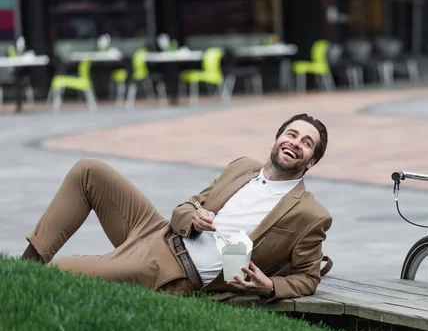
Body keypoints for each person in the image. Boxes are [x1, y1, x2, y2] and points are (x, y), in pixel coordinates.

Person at [21, 113, 333, 301]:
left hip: (173, 269)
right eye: (291, 134)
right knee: (89, 171)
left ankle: (37, 275)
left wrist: (268, 286)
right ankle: (22, 269)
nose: (295, 142)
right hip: (158, 230)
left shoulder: (309, 214)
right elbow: (186, 206)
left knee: (60, 272)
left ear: (313, 161)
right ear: (276, 139)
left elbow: (308, 278)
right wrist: (194, 217)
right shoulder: (242, 167)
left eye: (306, 142)